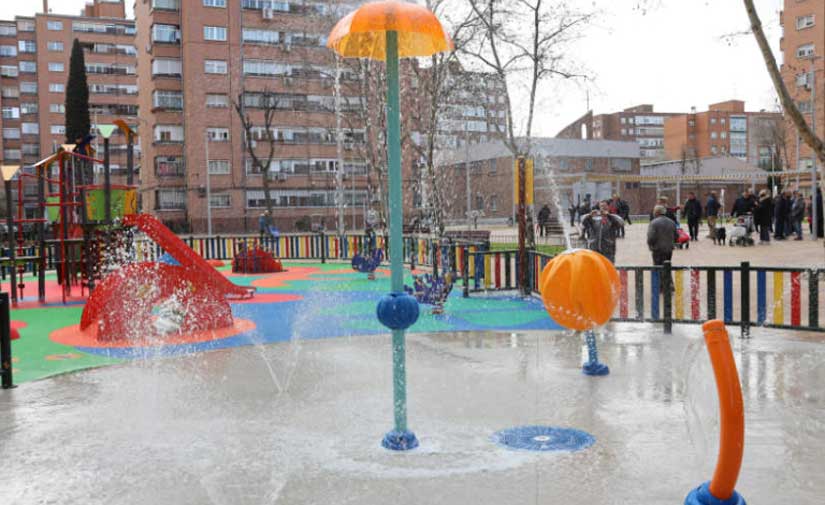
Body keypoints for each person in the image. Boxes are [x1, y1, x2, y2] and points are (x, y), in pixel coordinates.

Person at [647, 205, 677, 291]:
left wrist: (651, 246)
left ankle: (660, 286)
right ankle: (669, 284)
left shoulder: (653, 223)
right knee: (667, 266)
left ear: (656, 212)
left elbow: (651, 237)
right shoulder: (672, 222)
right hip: (669, 249)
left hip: (657, 249)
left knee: (657, 267)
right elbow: (676, 236)